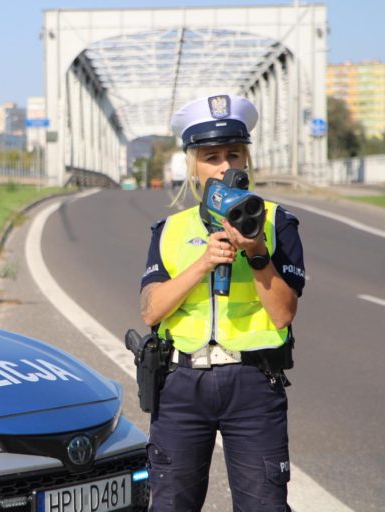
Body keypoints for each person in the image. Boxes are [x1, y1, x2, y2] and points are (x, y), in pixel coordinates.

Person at [139, 94, 305, 511]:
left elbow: (283, 313)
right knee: (171, 504)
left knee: (264, 505)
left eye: (233, 154)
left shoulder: (277, 222)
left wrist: (257, 252)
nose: (224, 166)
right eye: (211, 157)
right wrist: (203, 264)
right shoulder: (169, 229)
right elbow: (151, 310)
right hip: (181, 383)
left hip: (253, 382)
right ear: (192, 164)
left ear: (246, 159)